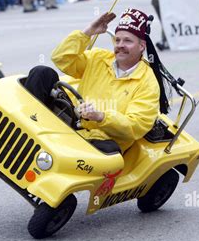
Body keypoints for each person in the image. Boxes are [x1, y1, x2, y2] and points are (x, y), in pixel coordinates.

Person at [23, 9, 167, 154]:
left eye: (127, 41)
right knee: (41, 73)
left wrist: (101, 116)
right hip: (74, 121)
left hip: (101, 140)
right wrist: (88, 32)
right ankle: (25, 134)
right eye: (117, 40)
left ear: (141, 46)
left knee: (109, 150)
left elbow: (135, 126)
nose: (120, 45)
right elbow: (61, 59)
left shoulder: (148, 82)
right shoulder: (99, 57)